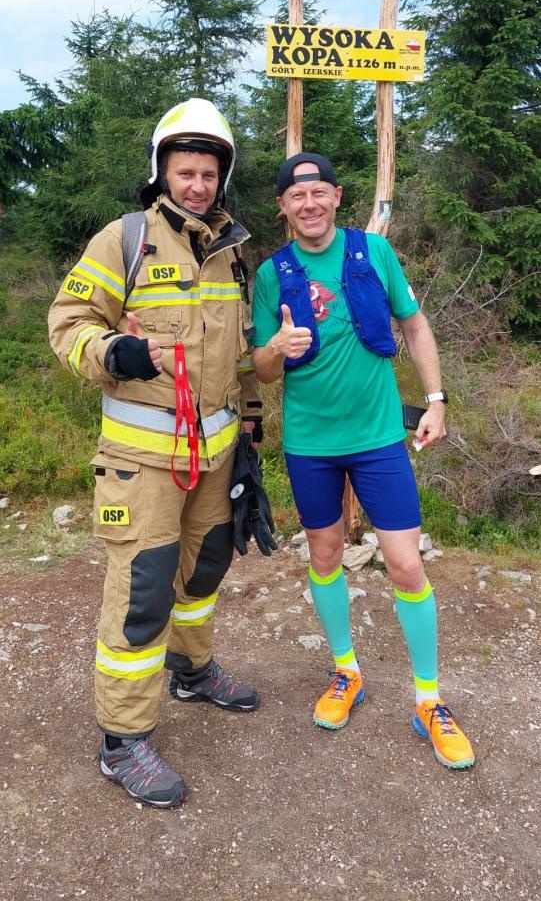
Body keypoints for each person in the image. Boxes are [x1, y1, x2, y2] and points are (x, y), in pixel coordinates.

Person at [48, 97, 265, 808]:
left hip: (216, 454)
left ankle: (192, 670)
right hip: (141, 463)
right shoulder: (127, 238)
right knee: (143, 594)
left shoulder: (234, 251)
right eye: (185, 171)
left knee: (202, 573)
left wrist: (252, 439)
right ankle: (122, 739)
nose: (197, 184)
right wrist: (118, 349)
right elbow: (69, 323)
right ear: (162, 171)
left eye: (208, 172)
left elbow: (234, 359)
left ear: (221, 176)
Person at [251, 152, 475, 770]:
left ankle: (429, 702)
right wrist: (275, 347)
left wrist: (436, 401)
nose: (309, 205)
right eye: (297, 197)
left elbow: (415, 325)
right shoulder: (272, 275)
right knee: (323, 554)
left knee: (405, 563)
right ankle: (345, 671)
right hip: (309, 443)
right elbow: (264, 371)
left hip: (378, 438)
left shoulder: (372, 253)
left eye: (319, 193)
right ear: (283, 207)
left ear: (337, 196)